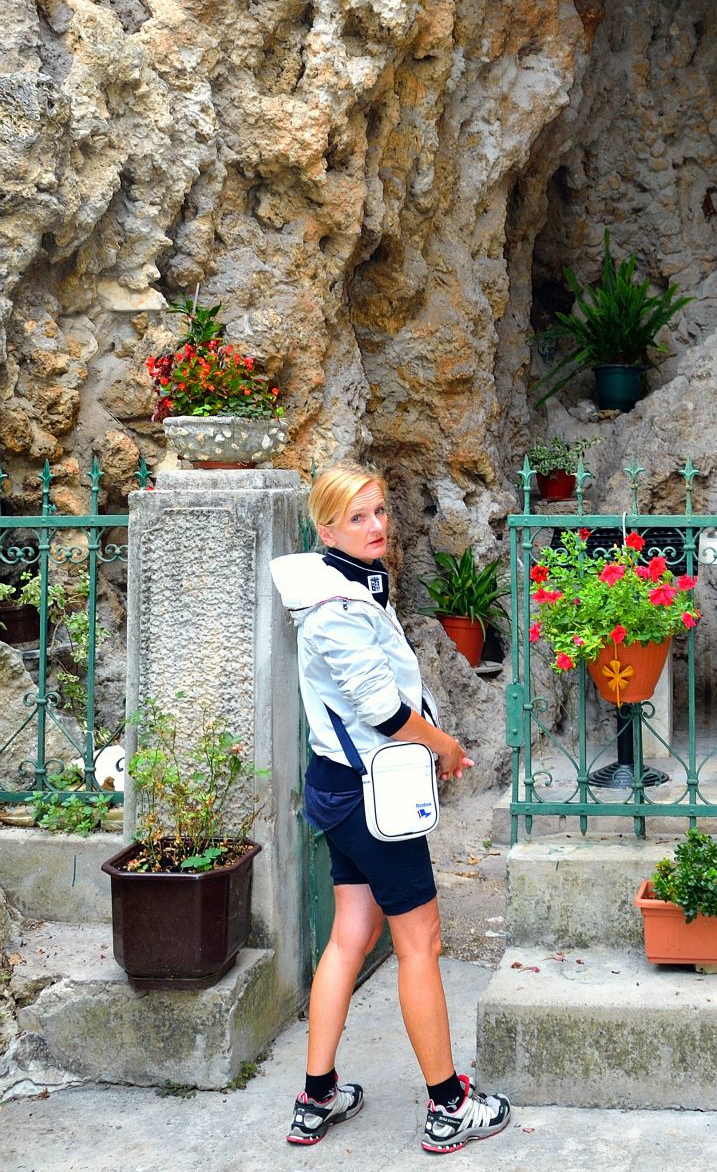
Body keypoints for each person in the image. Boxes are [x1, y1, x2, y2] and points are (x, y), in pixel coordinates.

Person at [270, 464, 511, 1153]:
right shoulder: (338, 609)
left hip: (340, 786)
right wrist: (445, 744)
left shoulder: (346, 588)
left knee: (351, 933)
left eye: (379, 511)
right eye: (358, 517)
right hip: (371, 794)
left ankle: (316, 1098)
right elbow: (382, 711)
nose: (377, 526)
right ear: (326, 531)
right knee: (420, 942)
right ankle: (448, 1106)